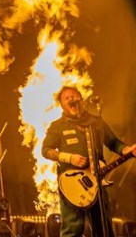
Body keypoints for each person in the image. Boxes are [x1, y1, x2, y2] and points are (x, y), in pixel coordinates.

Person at [42, 85, 135, 237]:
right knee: (73, 228)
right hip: (71, 185)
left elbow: (114, 143)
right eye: (67, 98)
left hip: (97, 182)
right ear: (62, 105)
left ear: (82, 100)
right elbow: (46, 150)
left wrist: (127, 150)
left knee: (103, 227)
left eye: (75, 96)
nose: (72, 99)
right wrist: (69, 158)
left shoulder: (96, 122)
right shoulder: (57, 126)